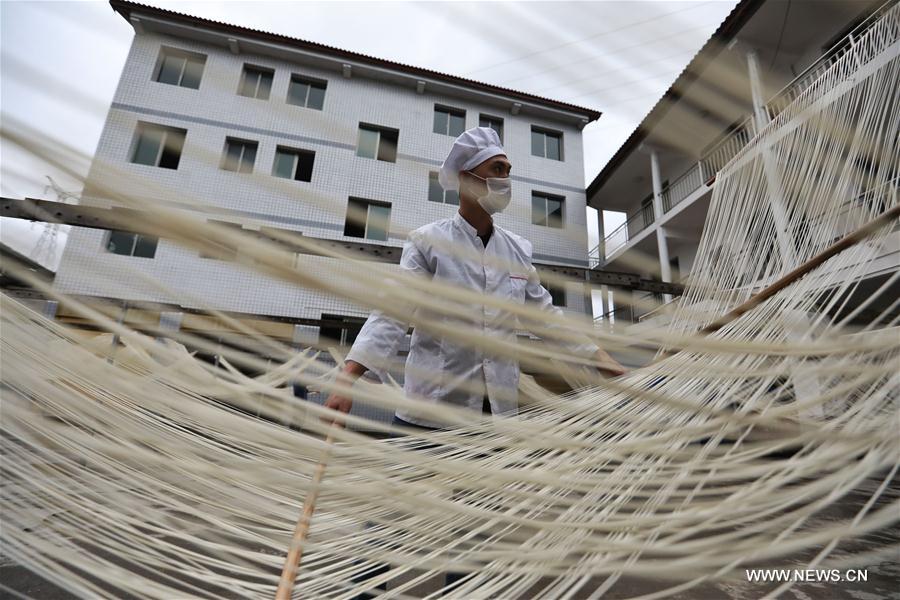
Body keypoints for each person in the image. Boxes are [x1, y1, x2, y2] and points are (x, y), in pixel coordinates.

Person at [324, 126, 626, 429]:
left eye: (508, 171)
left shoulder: (517, 250)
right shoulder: (428, 242)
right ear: (466, 179)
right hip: (430, 414)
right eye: (497, 169)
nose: (505, 180)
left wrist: (602, 361)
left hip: (496, 417)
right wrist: (348, 378)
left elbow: (547, 319)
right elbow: (394, 310)